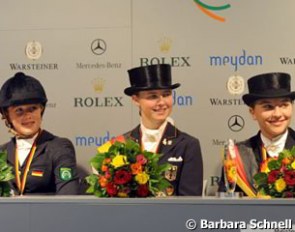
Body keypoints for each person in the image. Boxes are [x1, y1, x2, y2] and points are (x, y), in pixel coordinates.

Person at [123, 64, 203, 196]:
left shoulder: (188, 145)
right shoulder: (121, 144)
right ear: (135, 99)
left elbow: (190, 204)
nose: (161, 102)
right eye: (153, 96)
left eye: (166, 94)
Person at [0, 72, 80, 195]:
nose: (27, 116)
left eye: (33, 108)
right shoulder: (2, 153)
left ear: (41, 109)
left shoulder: (59, 147)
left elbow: (68, 198)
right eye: (19, 110)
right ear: (7, 115)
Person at [218, 72, 295, 195]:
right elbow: (227, 207)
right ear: (252, 112)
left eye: (284, 105)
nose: (277, 114)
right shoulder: (237, 155)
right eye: (268, 107)